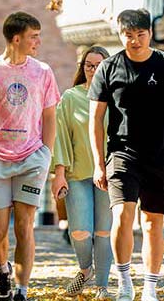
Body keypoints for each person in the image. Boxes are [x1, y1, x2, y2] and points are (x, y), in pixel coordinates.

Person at [88, 9, 164, 301]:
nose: (135, 40)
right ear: (120, 35)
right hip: (121, 152)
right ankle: (124, 280)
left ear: (150, 33)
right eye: (129, 35)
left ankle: (150, 287)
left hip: (161, 155)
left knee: (152, 222)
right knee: (123, 215)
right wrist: (99, 163)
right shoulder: (109, 68)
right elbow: (95, 120)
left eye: (141, 34)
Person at [0, 12, 60, 301]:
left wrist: (46, 153)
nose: (38, 41)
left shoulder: (43, 71)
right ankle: (3, 272)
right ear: (16, 38)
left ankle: (22, 290)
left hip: (31, 158)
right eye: (34, 36)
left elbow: (49, 117)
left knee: (24, 226)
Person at [51, 46, 113, 299]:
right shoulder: (70, 97)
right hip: (77, 173)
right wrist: (60, 172)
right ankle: (86, 270)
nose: (93, 70)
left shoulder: (116, 98)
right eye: (89, 65)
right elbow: (60, 136)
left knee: (103, 233)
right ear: (83, 67)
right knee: (79, 231)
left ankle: (102, 286)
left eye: (99, 65)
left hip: (109, 175)